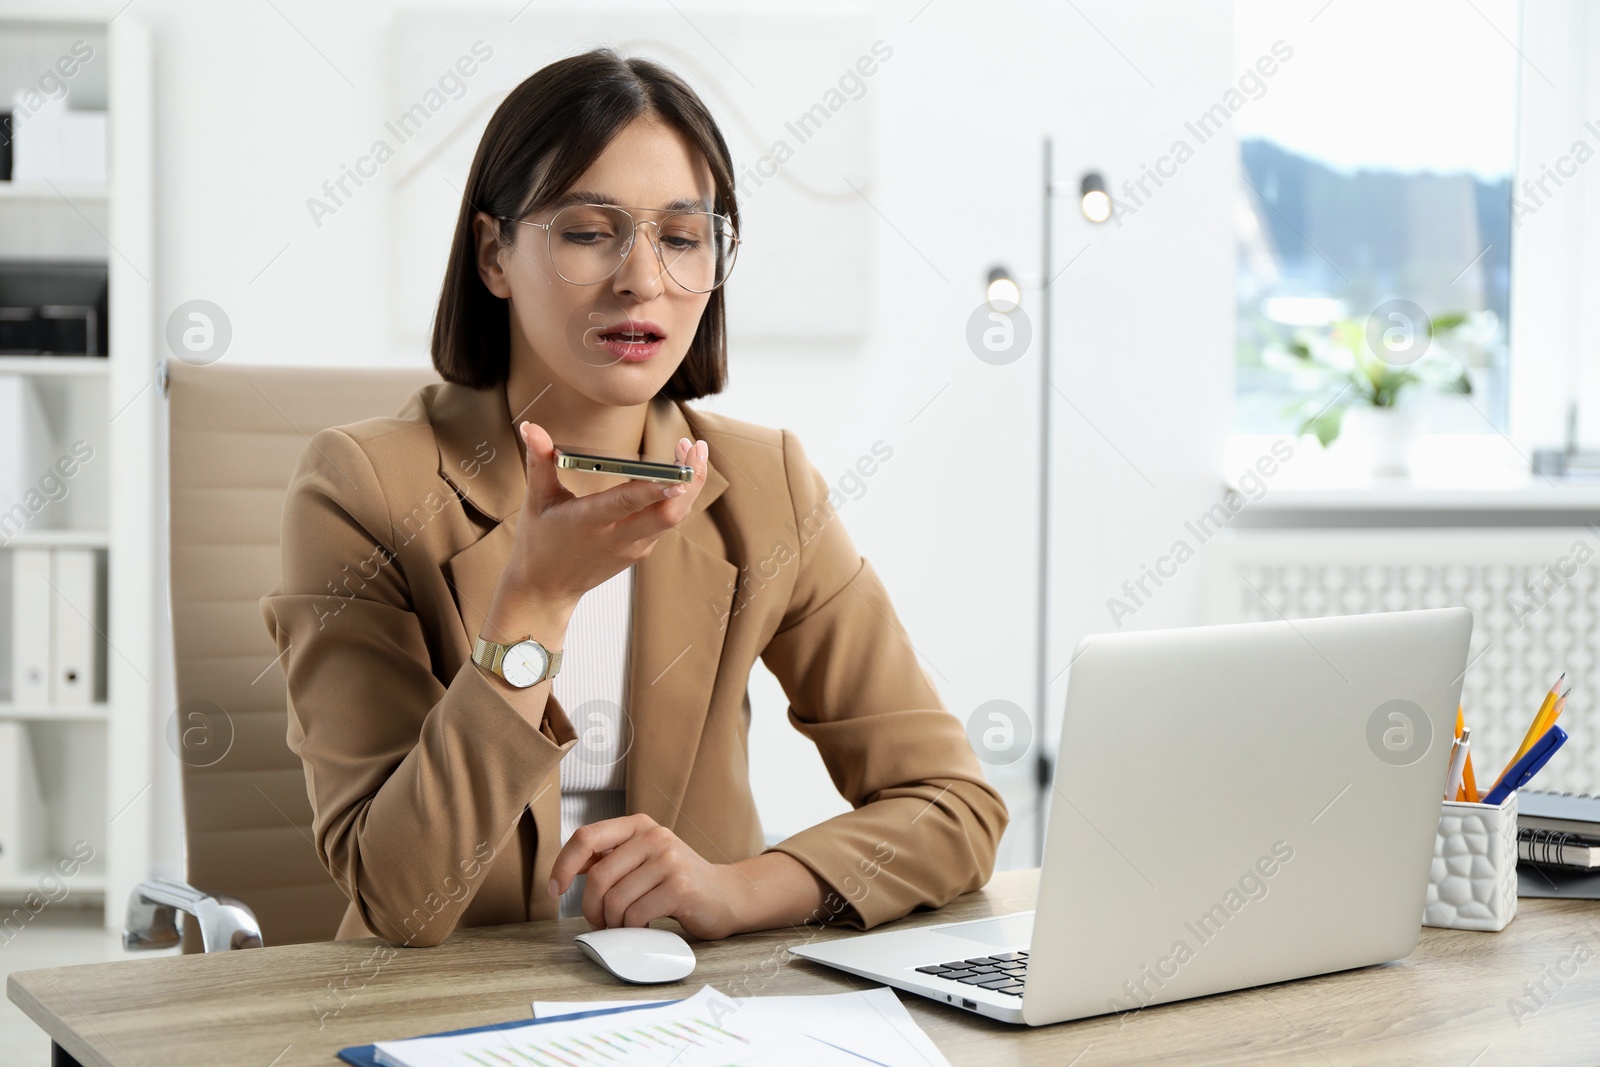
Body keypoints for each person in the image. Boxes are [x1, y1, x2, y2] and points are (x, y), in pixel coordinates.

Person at [260, 48, 1006, 949]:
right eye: (588, 230)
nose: (643, 279)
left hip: (694, 1007)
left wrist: (738, 889)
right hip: (443, 1012)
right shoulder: (361, 489)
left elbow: (954, 805)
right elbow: (399, 899)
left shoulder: (767, 486)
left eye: (683, 237)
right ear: (494, 253)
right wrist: (534, 605)